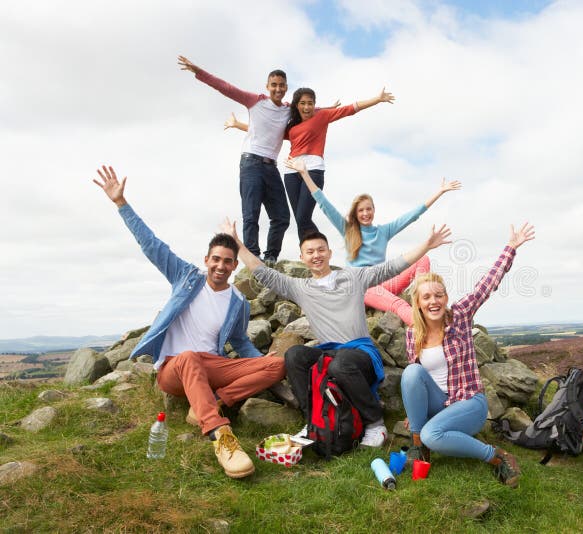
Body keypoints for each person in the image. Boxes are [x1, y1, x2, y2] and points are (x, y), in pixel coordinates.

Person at [93, 166, 286, 479]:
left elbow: (239, 341)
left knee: (277, 366)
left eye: (227, 261)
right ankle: (220, 436)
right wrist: (121, 204)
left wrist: (258, 360)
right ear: (206, 260)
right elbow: (152, 245)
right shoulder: (186, 278)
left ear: (235, 265)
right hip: (174, 369)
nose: (221, 266)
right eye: (215, 259)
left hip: (211, 366)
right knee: (188, 357)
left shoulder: (237, 301)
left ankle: (211, 403)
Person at [221, 218, 451, 448]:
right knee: (294, 356)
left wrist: (426, 246)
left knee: (339, 364)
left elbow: (391, 267)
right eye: (309, 252)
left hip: (360, 354)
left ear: (330, 253)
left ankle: (375, 424)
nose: (316, 255)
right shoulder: (300, 288)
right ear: (303, 258)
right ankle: (313, 422)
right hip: (330, 353)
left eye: (321, 249)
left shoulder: (353, 277)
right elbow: (264, 273)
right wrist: (237, 242)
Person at [401, 222, 535, 487]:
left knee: (432, 433)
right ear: (418, 303)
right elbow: (415, 382)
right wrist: (413, 414)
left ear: (446, 297)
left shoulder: (460, 315)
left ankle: (496, 457)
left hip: (469, 403)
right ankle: (419, 445)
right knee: (411, 372)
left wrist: (510, 248)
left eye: (439, 295)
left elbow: (487, 285)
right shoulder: (412, 333)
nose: (433, 301)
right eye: (426, 297)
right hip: (439, 403)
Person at [284, 156, 460, 326]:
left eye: (369, 209)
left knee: (423, 258)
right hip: (362, 287)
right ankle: (429, 326)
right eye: (361, 210)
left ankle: (424, 297)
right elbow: (323, 203)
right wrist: (305, 174)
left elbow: (413, 215)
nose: (365, 213)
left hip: (385, 281)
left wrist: (440, 192)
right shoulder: (348, 230)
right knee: (399, 305)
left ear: (374, 210)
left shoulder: (383, 231)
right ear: (356, 212)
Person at [228, 86, 395, 242]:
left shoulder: (322, 116)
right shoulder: (292, 125)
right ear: (296, 105)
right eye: (302, 103)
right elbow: (267, 132)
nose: (306, 107)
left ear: (315, 105)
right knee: (300, 220)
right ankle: (308, 254)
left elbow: (351, 108)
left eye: (310, 103)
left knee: (303, 217)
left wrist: (377, 99)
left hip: (313, 169)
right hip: (292, 172)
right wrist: (237, 125)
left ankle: (321, 247)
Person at [178, 55, 291, 265]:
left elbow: (311, 113)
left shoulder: (287, 110)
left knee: (282, 216)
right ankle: (253, 258)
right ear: (267, 86)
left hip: (271, 166)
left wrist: (332, 110)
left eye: (281, 86)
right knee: (251, 215)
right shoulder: (255, 101)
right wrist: (199, 72)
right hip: (251, 164)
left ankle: (271, 257)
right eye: (273, 85)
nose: (277, 89)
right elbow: (226, 88)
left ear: (286, 87)